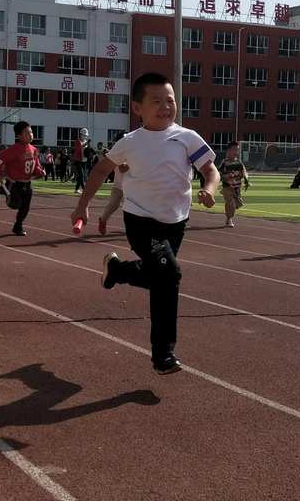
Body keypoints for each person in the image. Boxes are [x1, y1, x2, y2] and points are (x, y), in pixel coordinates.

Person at [72, 72, 220, 375]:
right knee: (169, 274)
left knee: (160, 276)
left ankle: (117, 270)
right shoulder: (130, 142)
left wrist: (209, 189)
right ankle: (163, 354)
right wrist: (82, 204)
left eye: (170, 100)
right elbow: (100, 170)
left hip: (176, 222)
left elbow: (210, 170)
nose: (166, 107)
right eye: (157, 101)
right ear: (138, 107)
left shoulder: (187, 137)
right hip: (140, 220)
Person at [0, 120, 47, 236]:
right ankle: (5, 189)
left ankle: (18, 226)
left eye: (31, 132)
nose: (31, 135)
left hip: (27, 183)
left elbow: (36, 165)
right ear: (19, 136)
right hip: (15, 182)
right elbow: (0, 157)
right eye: (27, 133)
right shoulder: (14, 149)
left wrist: (40, 172)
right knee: (15, 204)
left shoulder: (34, 150)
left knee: (25, 208)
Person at [218, 141, 250, 228]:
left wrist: (247, 181)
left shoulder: (239, 162)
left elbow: (244, 172)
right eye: (234, 149)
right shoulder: (224, 162)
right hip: (227, 187)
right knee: (230, 204)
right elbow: (219, 174)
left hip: (237, 187)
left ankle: (228, 216)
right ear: (228, 151)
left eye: (237, 150)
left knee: (237, 204)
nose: (236, 152)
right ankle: (229, 219)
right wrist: (225, 176)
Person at [97, 163, 130, 235]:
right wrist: (136, 163)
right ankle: (103, 220)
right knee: (113, 205)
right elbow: (122, 168)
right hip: (119, 185)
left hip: (133, 186)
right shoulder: (121, 156)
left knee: (132, 207)